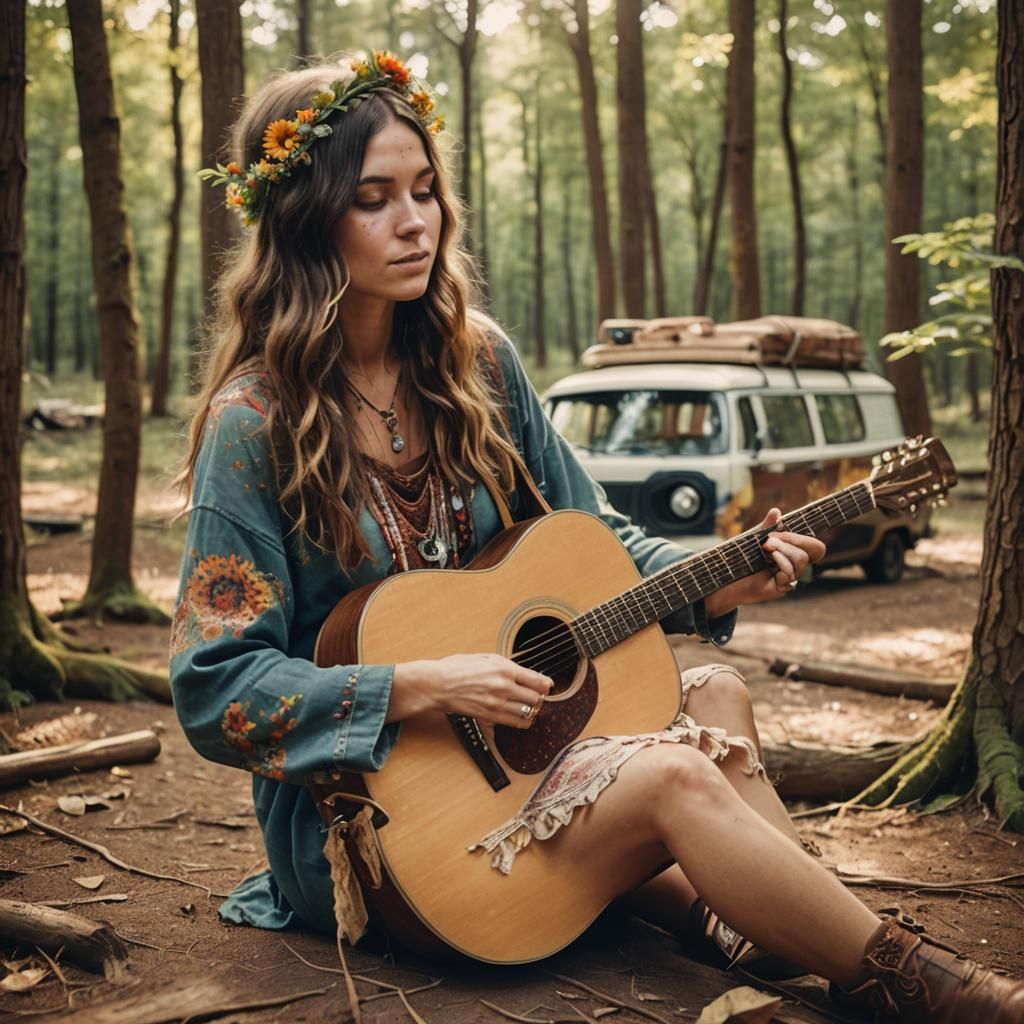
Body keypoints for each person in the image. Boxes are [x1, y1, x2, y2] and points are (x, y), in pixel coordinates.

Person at [173, 50, 1023, 1023]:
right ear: (303, 221)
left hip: (518, 762)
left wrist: (720, 576)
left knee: (712, 688)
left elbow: (595, 538)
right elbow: (213, 689)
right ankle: (937, 989)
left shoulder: (476, 364)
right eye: (373, 198)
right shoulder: (256, 421)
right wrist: (421, 683)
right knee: (669, 770)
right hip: (375, 830)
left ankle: (760, 926)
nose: (415, 222)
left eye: (424, 191)